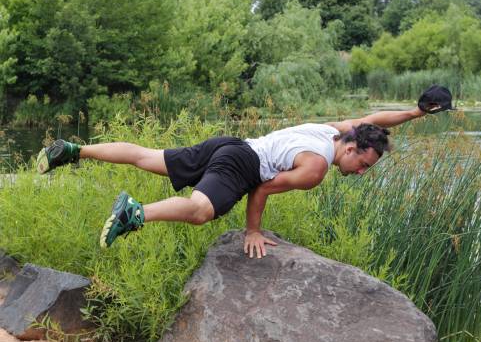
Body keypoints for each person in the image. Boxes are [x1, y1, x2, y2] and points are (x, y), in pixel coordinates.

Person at [35, 85, 453, 259]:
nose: (361, 172)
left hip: (231, 145)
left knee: (147, 155)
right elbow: (264, 190)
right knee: (201, 211)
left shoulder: (334, 131)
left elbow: (373, 117)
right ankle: (135, 212)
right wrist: (252, 231)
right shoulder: (316, 167)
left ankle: (74, 150)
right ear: (352, 148)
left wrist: (416, 112)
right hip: (242, 164)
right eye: (362, 164)